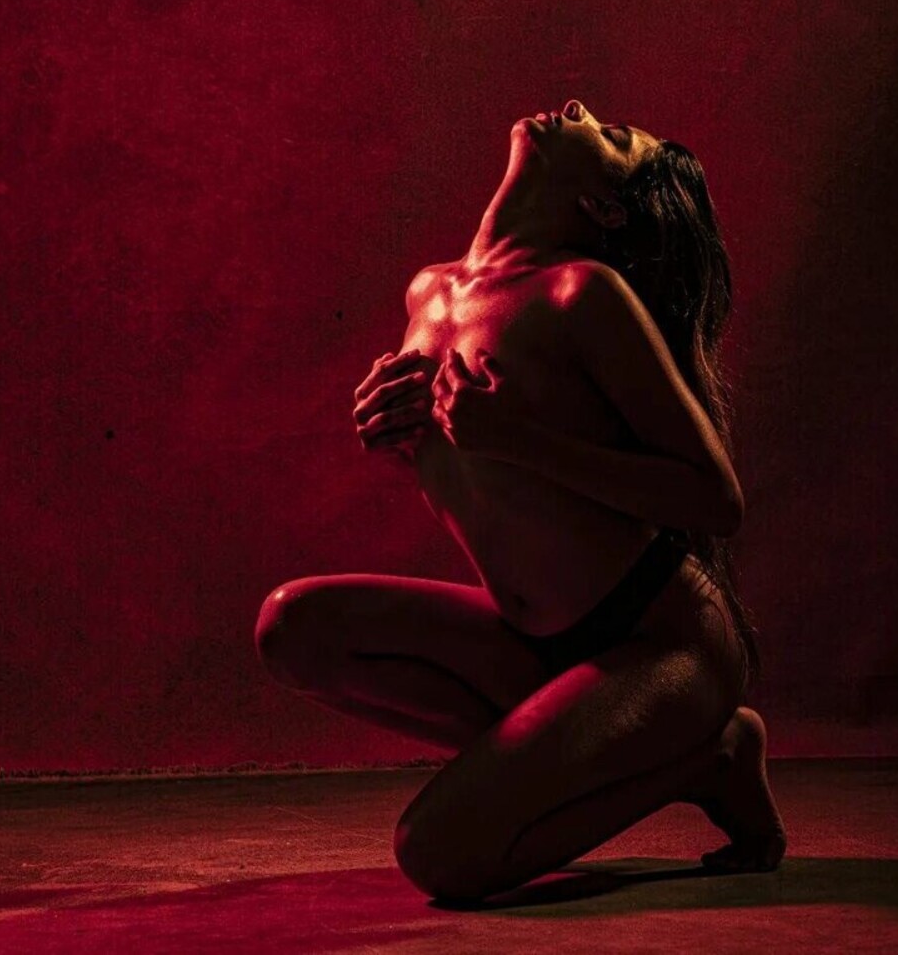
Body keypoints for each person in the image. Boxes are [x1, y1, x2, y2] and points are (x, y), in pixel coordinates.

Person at [254, 97, 786, 902]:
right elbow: (491, 485)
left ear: (603, 207)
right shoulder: (427, 294)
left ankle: (707, 758)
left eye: (612, 136)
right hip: (537, 645)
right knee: (291, 628)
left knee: (437, 855)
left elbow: (716, 499)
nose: (579, 110)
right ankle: (592, 759)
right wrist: (394, 438)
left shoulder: (584, 294)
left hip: (660, 643)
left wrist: (523, 441)